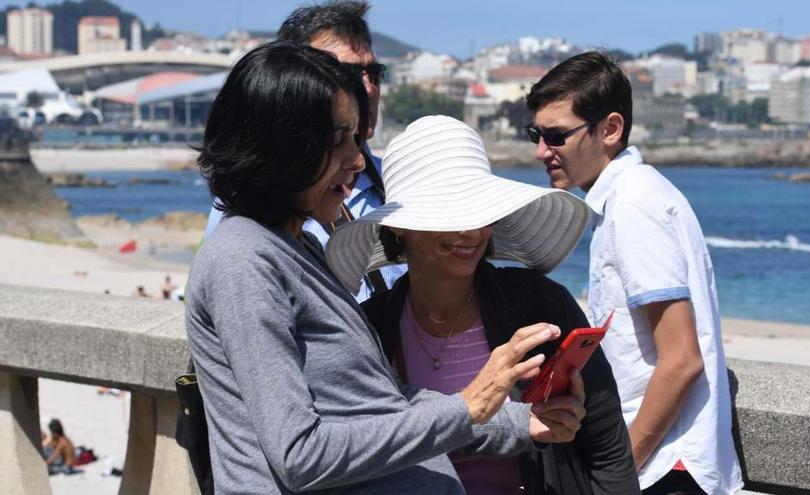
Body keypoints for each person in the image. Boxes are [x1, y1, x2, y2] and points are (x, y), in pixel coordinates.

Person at [187, 41, 584, 494]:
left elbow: (377, 403)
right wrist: (466, 407)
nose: (357, 161)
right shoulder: (245, 259)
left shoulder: (297, 248)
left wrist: (516, 420)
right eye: (338, 140)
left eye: (356, 139)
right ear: (281, 147)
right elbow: (300, 455)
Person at [325, 115, 641, 494]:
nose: (471, 229)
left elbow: (607, 447)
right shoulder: (373, 328)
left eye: (479, 209)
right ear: (398, 226)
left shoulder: (540, 303)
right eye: (449, 211)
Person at [525, 51, 743, 494]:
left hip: (666, 468)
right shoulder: (631, 198)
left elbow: (681, 359)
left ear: (610, 129)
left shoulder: (633, 207)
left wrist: (620, 471)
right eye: (537, 134)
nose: (541, 151)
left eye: (556, 136)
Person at [203, 0, 405, 302]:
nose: (368, 89)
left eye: (373, 73)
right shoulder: (254, 203)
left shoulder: (402, 182)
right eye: (345, 73)